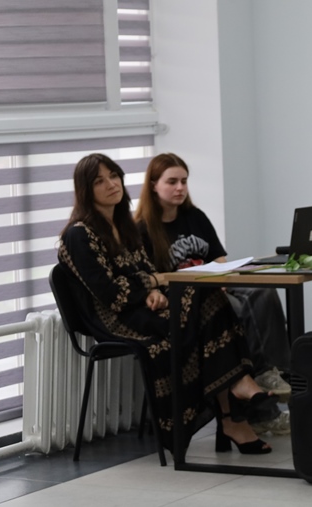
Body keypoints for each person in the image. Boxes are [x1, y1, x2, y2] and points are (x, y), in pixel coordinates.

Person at [58, 153, 277, 455]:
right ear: (85, 190)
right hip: (116, 319)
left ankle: (234, 410)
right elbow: (111, 293)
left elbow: (145, 271)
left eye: (114, 176)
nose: (111, 184)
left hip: (142, 307)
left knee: (209, 300)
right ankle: (237, 401)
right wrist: (151, 285)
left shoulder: (123, 225)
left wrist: (153, 286)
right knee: (205, 304)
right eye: (99, 181)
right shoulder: (79, 234)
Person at [135, 152, 291, 436]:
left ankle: (272, 371)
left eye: (184, 181)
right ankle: (262, 407)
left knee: (263, 294)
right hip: (187, 301)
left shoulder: (195, 217)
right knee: (237, 310)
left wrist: (222, 276)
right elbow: (149, 279)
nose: (180, 188)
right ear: (154, 185)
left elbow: (218, 258)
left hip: (214, 283)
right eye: (172, 182)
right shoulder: (143, 229)